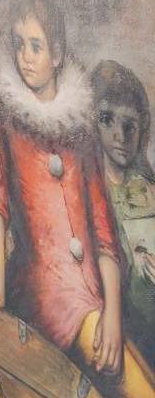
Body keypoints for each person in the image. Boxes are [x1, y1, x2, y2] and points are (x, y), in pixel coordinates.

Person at [0, 0, 155, 396]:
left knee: (139, 374)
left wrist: (112, 313)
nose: (25, 57)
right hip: (43, 288)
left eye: (35, 46)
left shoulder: (81, 124)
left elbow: (103, 231)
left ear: (56, 54)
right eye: (19, 44)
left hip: (93, 291)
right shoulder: (6, 114)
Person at [95, 60, 155, 358]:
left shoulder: (147, 188)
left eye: (129, 126)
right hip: (117, 324)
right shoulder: (89, 188)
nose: (120, 135)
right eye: (107, 120)